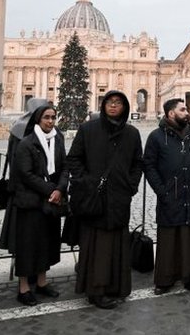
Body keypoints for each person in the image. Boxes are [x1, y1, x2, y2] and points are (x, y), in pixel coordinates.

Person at [67, 91, 143, 309]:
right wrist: (85, 182)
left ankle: (116, 286)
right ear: (103, 106)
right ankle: (95, 290)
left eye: (118, 103)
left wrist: (132, 185)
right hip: (95, 198)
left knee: (118, 242)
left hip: (120, 197)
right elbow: (74, 158)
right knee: (96, 245)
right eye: (109, 102)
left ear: (125, 107)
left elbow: (138, 162)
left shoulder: (132, 133)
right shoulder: (88, 129)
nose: (113, 106)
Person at [144, 98, 190, 298]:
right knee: (168, 238)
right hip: (169, 194)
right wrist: (161, 190)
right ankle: (165, 278)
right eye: (182, 109)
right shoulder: (156, 136)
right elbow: (149, 165)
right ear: (171, 113)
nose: (187, 111)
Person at [5, 104, 67, 306]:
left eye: (53, 117)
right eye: (46, 117)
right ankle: (23, 287)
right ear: (38, 120)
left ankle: (42, 282)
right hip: (30, 202)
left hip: (51, 202)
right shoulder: (27, 143)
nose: (50, 121)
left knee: (47, 243)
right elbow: (26, 174)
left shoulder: (58, 139)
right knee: (28, 245)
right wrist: (52, 190)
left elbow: (64, 167)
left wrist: (60, 188)